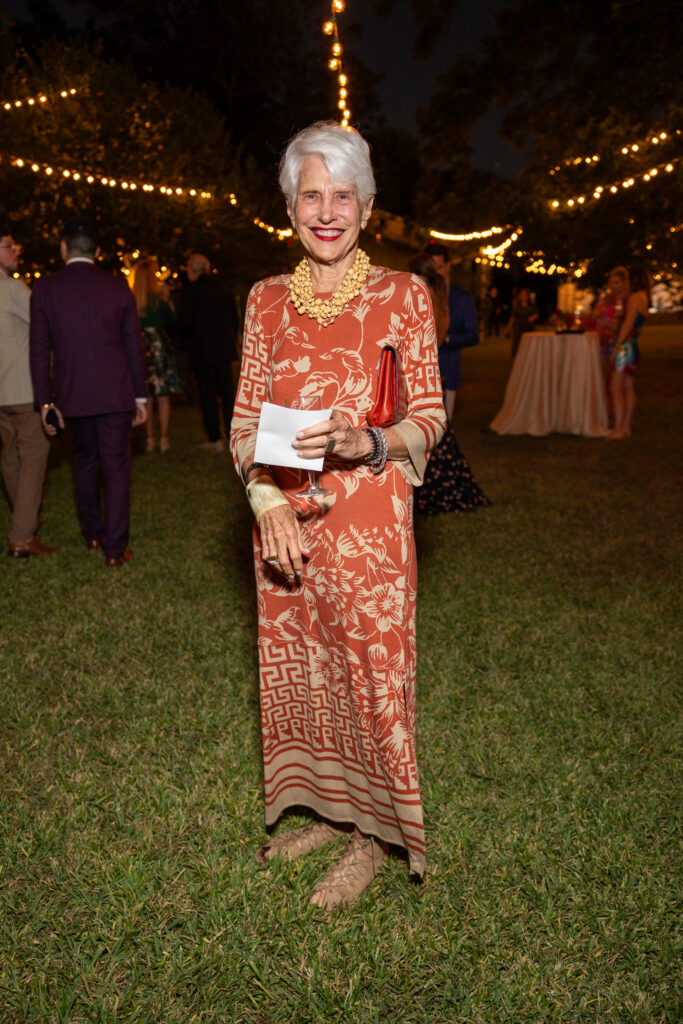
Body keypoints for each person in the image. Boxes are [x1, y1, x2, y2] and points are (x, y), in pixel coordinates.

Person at [230, 121, 446, 910]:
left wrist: (371, 438)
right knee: (308, 677)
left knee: (368, 680)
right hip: (285, 525)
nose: (326, 211)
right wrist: (264, 504)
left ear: (366, 204)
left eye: (341, 195)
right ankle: (326, 811)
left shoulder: (403, 294)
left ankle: (371, 838)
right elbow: (245, 421)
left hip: (369, 529)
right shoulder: (263, 302)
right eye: (310, 194)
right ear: (289, 205)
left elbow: (429, 414)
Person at [29, 216, 148, 566]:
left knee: (84, 462)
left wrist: (45, 401)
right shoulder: (117, 287)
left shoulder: (45, 289)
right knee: (115, 467)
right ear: (96, 251)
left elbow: (39, 350)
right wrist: (140, 396)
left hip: (71, 394)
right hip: (115, 394)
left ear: (64, 248)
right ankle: (114, 549)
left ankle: (92, 533)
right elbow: (133, 347)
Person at [408, 252, 490, 517]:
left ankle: (430, 494)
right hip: (430, 375)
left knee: (432, 439)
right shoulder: (436, 296)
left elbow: (439, 337)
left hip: (427, 375)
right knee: (438, 439)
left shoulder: (428, 298)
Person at [0, 229, 56, 558]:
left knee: (9, 457)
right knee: (32, 458)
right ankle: (22, 534)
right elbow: (43, 324)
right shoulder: (12, 288)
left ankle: (25, 515)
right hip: (22, 388)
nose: (16, 251)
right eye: (9, 247)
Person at [177, 253, 239, 452]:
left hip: (202, 350)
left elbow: (184, 322)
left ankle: (214, 439)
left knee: (207, 395)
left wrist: (182, 341)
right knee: (227, 394)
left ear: (194, 270)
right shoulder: (223, 288)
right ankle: (232, 436)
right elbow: (234, 318)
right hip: (223, 349)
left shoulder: (191, 291)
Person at [130, 257, 182, 452]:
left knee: (146, 395)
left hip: (140, 347)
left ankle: (150, 438)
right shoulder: (159, 299)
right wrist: (168, 299)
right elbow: (173, 319)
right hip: (158, 346)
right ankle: (164, 439)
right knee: (162, 395)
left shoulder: (131, 300)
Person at [426, 242, 479, 421]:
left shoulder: (462, 298)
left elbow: (473, 335)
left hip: (448, 368)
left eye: (439, 268)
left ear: (448, 266)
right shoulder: (417, 293)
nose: (435, 274)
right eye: (431, 268)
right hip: (420, 376)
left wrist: (446, 339)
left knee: (444, 427)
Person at [608, 266, 649, 440]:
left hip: (626, 346)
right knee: (628, 387)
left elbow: (628, 324)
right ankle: (625, 427)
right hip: (633, 344)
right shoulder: (644, 297)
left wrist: (617, 346)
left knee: (615, 388)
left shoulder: (634, 298)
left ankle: (617, 430)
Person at [593, 266, 628, 405]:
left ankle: (614, 409)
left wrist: (605, 323)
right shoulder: (606, 300)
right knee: (601, 375)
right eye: (612, 282)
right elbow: (595, 317)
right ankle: (603, 408)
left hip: (616, 342)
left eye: (617, 282)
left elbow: (621, 324)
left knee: (616, 379)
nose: (614, 286)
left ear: (624, 283)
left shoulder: (627, 301)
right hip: (601, 341)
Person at [507, 286, 539, 358]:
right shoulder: (517, 306)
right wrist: (508, 328)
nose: (523, 297)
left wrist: (533, 317)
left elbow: (536, 314)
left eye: (524, 295)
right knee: (518, 343)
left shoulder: (531, 306)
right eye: (521, 295)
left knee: (529, 343)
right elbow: (512, 317)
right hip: (518, 327)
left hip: (528, 327)